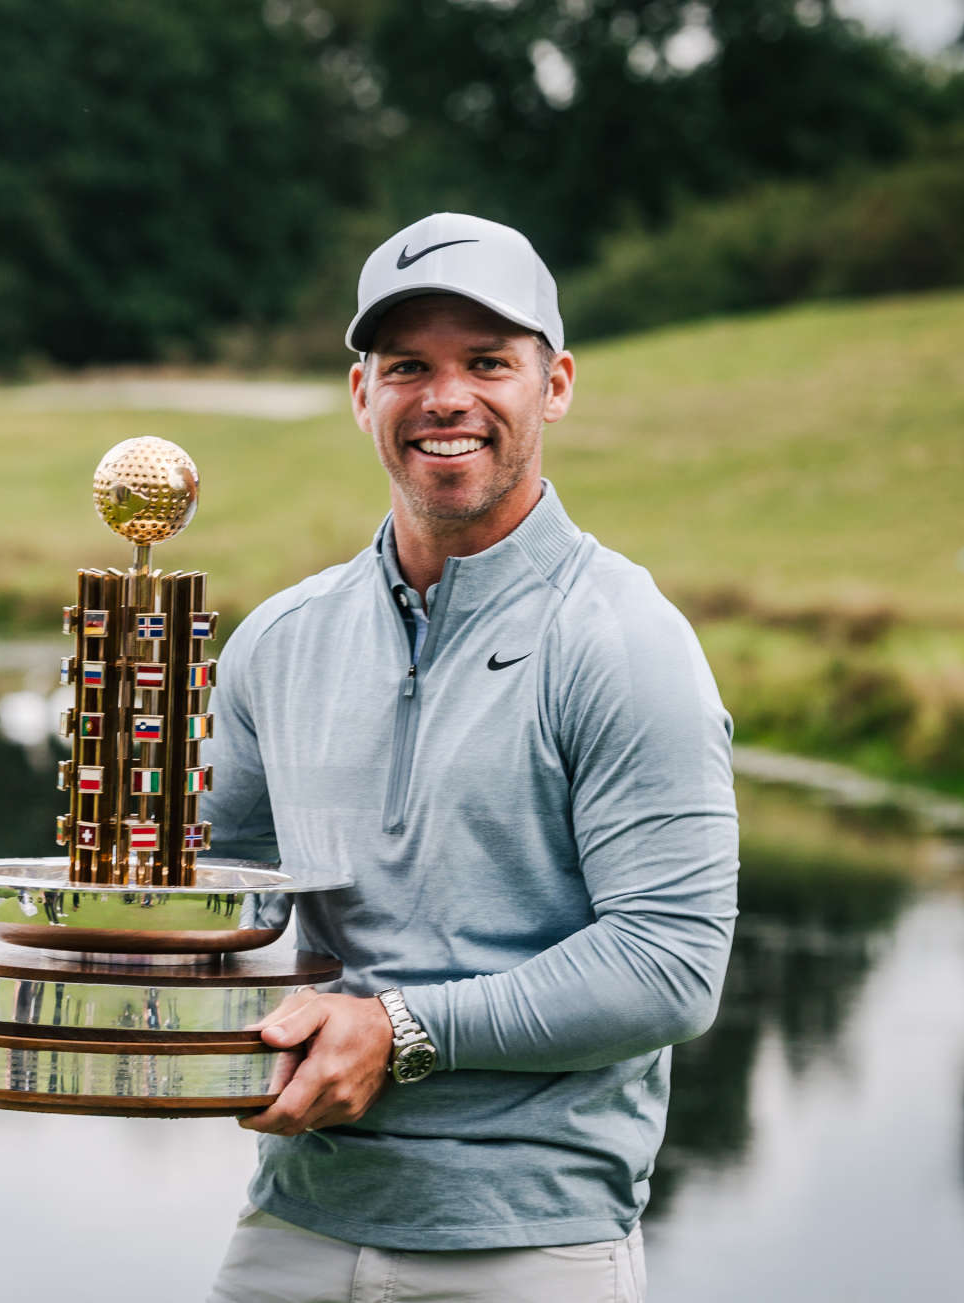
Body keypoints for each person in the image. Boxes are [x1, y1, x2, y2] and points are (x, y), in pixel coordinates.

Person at [200, 212, 738, 1303]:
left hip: (529, 1249)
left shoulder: (623, 640)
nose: (446, 398)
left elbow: (672, 965)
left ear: (557, 384)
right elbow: (231, 909)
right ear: (363, 397)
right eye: (408, 366)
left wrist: (396, 1031)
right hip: (294, 1221)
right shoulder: (278, 640)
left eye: (487, 361)